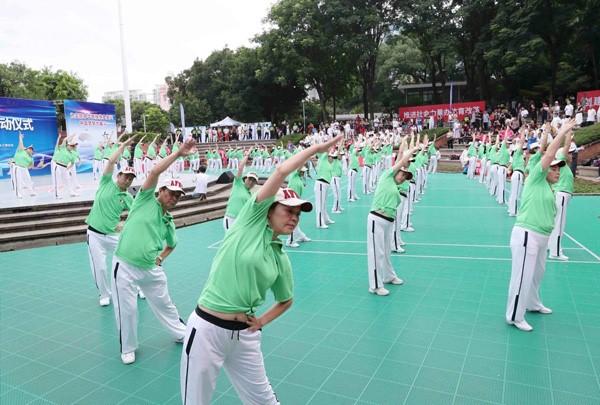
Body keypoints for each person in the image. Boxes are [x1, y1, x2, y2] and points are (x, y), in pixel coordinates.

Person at [180, 134, 343, 405]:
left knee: (265, 401)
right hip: (207, 329)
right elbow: (281, 171)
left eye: (298, 214)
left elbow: (286, 299)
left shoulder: (280, 257)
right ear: (268, 211)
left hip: (245, 335)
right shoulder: (249, 221)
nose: (293, 217)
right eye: (288, 210)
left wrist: (262, 321)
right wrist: (318, 148)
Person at [111, 137, 196, 364]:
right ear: (160, 191)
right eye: (171, 193)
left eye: (178, 195)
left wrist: (160, 258)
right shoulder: (145, 199)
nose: (174, 198)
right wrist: (178, 153)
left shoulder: (169, 220)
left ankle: (180, 333)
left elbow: (172, 243)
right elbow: (155, 171)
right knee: (127, 310)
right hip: (126, 265)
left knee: (165, 304)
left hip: (151, 267)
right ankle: (128, 347)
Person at [506, 119, 576, 332]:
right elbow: (547, 155)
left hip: (541, 237)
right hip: (527, 234)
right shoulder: (535, 177)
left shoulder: (549, 188)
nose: (557, 171)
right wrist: (561, 133)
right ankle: (515, 316)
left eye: (559, 169)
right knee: (522, 276)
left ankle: (532, 304)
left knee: (537, 274)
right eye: (554, 168)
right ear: (544, 169)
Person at [85, 136, 137, 307]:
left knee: (129, 260)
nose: (127, 180)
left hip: (114, 235)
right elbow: (111, 161)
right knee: (99, 268)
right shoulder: (106, 182)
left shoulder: (127, 196)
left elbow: (137, 214)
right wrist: (123, 145)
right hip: (94, 234)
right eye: (125, 176)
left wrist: (125, 225)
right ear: (119, 175)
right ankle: (104, 294)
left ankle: (136, 287)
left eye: (131, 178)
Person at [367, 137, 414, 296]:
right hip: (377, 220)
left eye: (405, 177)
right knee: (376, 252)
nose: (402, 178)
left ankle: (388, 276)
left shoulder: (396, 186)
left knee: (386, 251)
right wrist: (413, 148)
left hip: (388, 222)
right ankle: (375, 285)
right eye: (402, 174)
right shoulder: (386, 177)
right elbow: (401, 159)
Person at [548, 130, 575, 261]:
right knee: (559, 224)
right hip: (561, 196)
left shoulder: (564, 167)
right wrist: (568, 133)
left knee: (556, 222)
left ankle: (551, 246)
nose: (571, 155)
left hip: (562, 196)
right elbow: (566, 146)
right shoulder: (561, 161)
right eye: (569, 153)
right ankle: (556, 252)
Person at [223, 150, 255, 231]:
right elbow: (240, 167)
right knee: (230, 241)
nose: (251, 182)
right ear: (245, 179)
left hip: (241, 221)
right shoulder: (238, 184)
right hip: (230, 218)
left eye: (254, 181)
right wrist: (247, 155)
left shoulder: (250, 195)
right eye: (250, 179)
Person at [286, 166, 311, 247]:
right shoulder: (294, 175)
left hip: (296, 201)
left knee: (296, 221)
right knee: (292, 220)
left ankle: (301, 236)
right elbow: (299, 166)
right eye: (302, 171)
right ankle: (290, 241)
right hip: (291, 201)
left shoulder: (299, 179)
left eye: (304, 171)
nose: (303, 172)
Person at [12, 132, 37, 198]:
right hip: (17, 167)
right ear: (27, 149)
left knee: (28, 180)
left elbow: (32, 165)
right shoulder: (21, 150)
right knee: (19, 181)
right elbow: (21, 144)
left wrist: (26, 167)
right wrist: (20, 138)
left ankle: (32, 192)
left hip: (25, 168)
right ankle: (19, 194)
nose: (31, 150)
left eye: (32, 150)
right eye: (30, 149)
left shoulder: (31, 157)